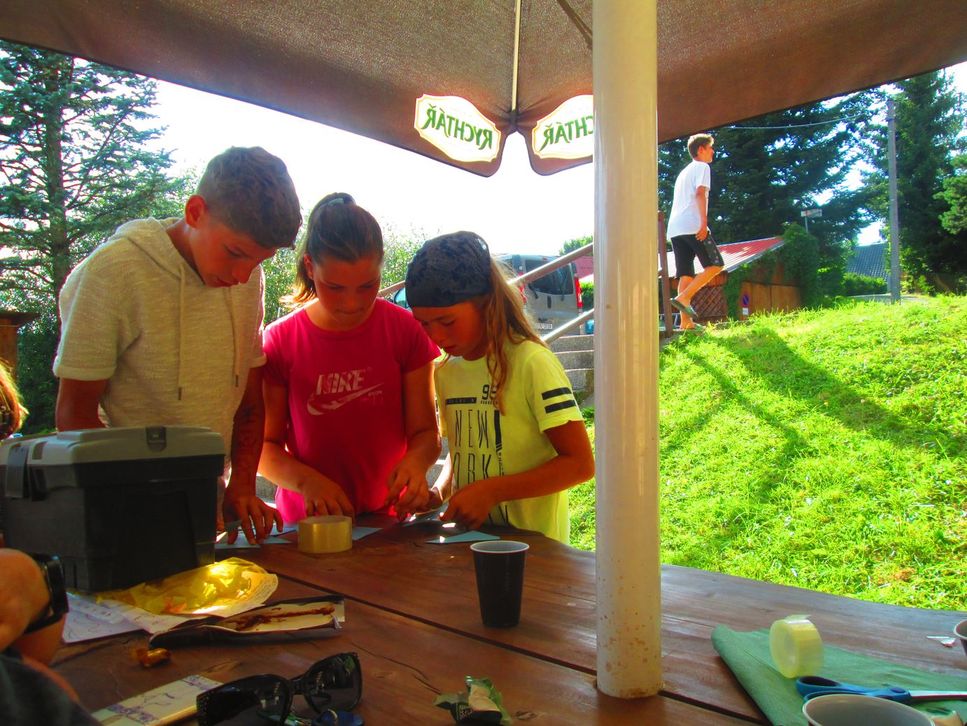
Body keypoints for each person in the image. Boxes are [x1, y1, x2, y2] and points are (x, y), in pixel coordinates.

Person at [53, 146, 302, 543]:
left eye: (258, 261)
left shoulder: (247, 280)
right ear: (195, 212)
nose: (241, 276)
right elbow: (73, 416)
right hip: (122, 514)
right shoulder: (114, 272)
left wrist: (240, 486)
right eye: (235, 254)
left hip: (200, 507)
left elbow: (249, 402)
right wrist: (155, 503)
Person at [259, 193, 440, 522]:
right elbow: (264, 448)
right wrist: (309, 483)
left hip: (389, 523)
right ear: (310, 267)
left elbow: (426, 433)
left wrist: (416, 463)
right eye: (335, 287)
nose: (353, 304)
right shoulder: (281, 340)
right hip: (308, 527)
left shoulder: (405, 330)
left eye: (368, 286)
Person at [405, 231, 594, 544]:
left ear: (486, 303)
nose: (435, 336)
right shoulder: (446, 372)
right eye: (424, 324)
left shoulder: (531, 362)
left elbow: (580, 464)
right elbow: (464, 451)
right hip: (470, 544)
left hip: (535, 550)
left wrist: (492, 491)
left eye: (447, 322)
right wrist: (439, 491)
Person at [666, 133, 724, 331]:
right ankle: (683, 297)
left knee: (686, 274)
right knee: (715, 265)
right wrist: (703, 223)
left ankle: (686, 323)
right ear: (700, 149)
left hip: (675, 229)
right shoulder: (702, 167)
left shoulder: (684, 172)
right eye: (710, 148)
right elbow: (700, 193)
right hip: (692, 225)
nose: (713, 152)